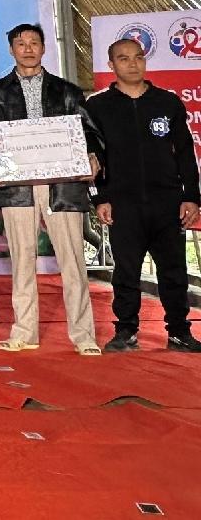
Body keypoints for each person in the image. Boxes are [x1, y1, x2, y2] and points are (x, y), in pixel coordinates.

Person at [0, 23, 102, 356]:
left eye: (34, 42)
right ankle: (24, 332)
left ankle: (84, 336)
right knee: (22, 260)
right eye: (21, 44)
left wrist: (93, 154)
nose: (28, 49)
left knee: (73, 261)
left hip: (62, 185)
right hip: (17, 185)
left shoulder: (67, 91)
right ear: (11, 50)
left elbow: (89, 132)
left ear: (44, 48)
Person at [84, 38, 201, 353]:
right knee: (125, 272)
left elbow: (185, 153)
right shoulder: (96, 106)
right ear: (111, 65)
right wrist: (100, 198)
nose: (133, 64)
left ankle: (179, 331)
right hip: (123, 204)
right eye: (123, 58)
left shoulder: (167, 102)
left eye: (138, 57)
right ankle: (125, 331)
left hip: (167, 202)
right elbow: (91, 158)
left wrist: (192, 197)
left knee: (174, 271)